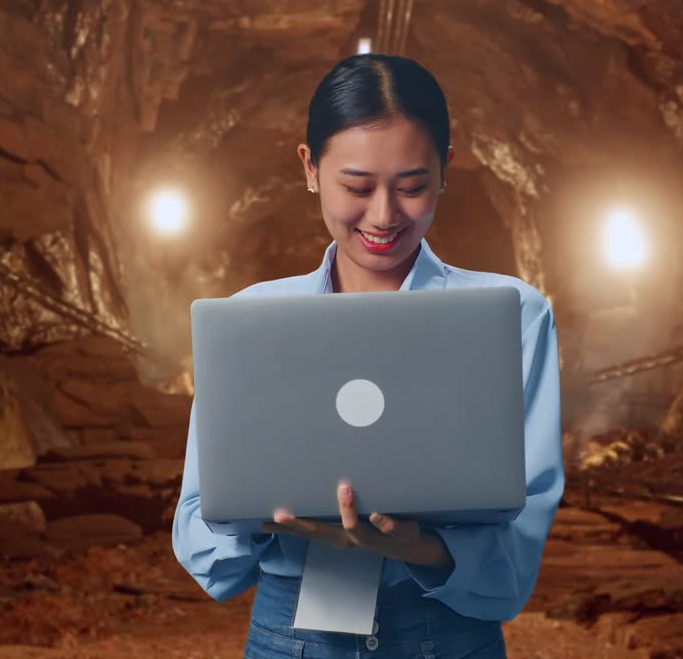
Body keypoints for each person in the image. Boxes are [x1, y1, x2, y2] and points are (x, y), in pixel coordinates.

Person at [171, 53, 564, 659]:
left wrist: (420, 549)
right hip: (289, 635)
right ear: (310, 167)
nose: (383, 215)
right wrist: (261, 521)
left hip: (446, 635)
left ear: (445, 169)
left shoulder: (514, 315)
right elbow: (200, 533)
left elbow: (520, 544)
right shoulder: (250, 321)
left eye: (412, 186)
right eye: (357, 187)